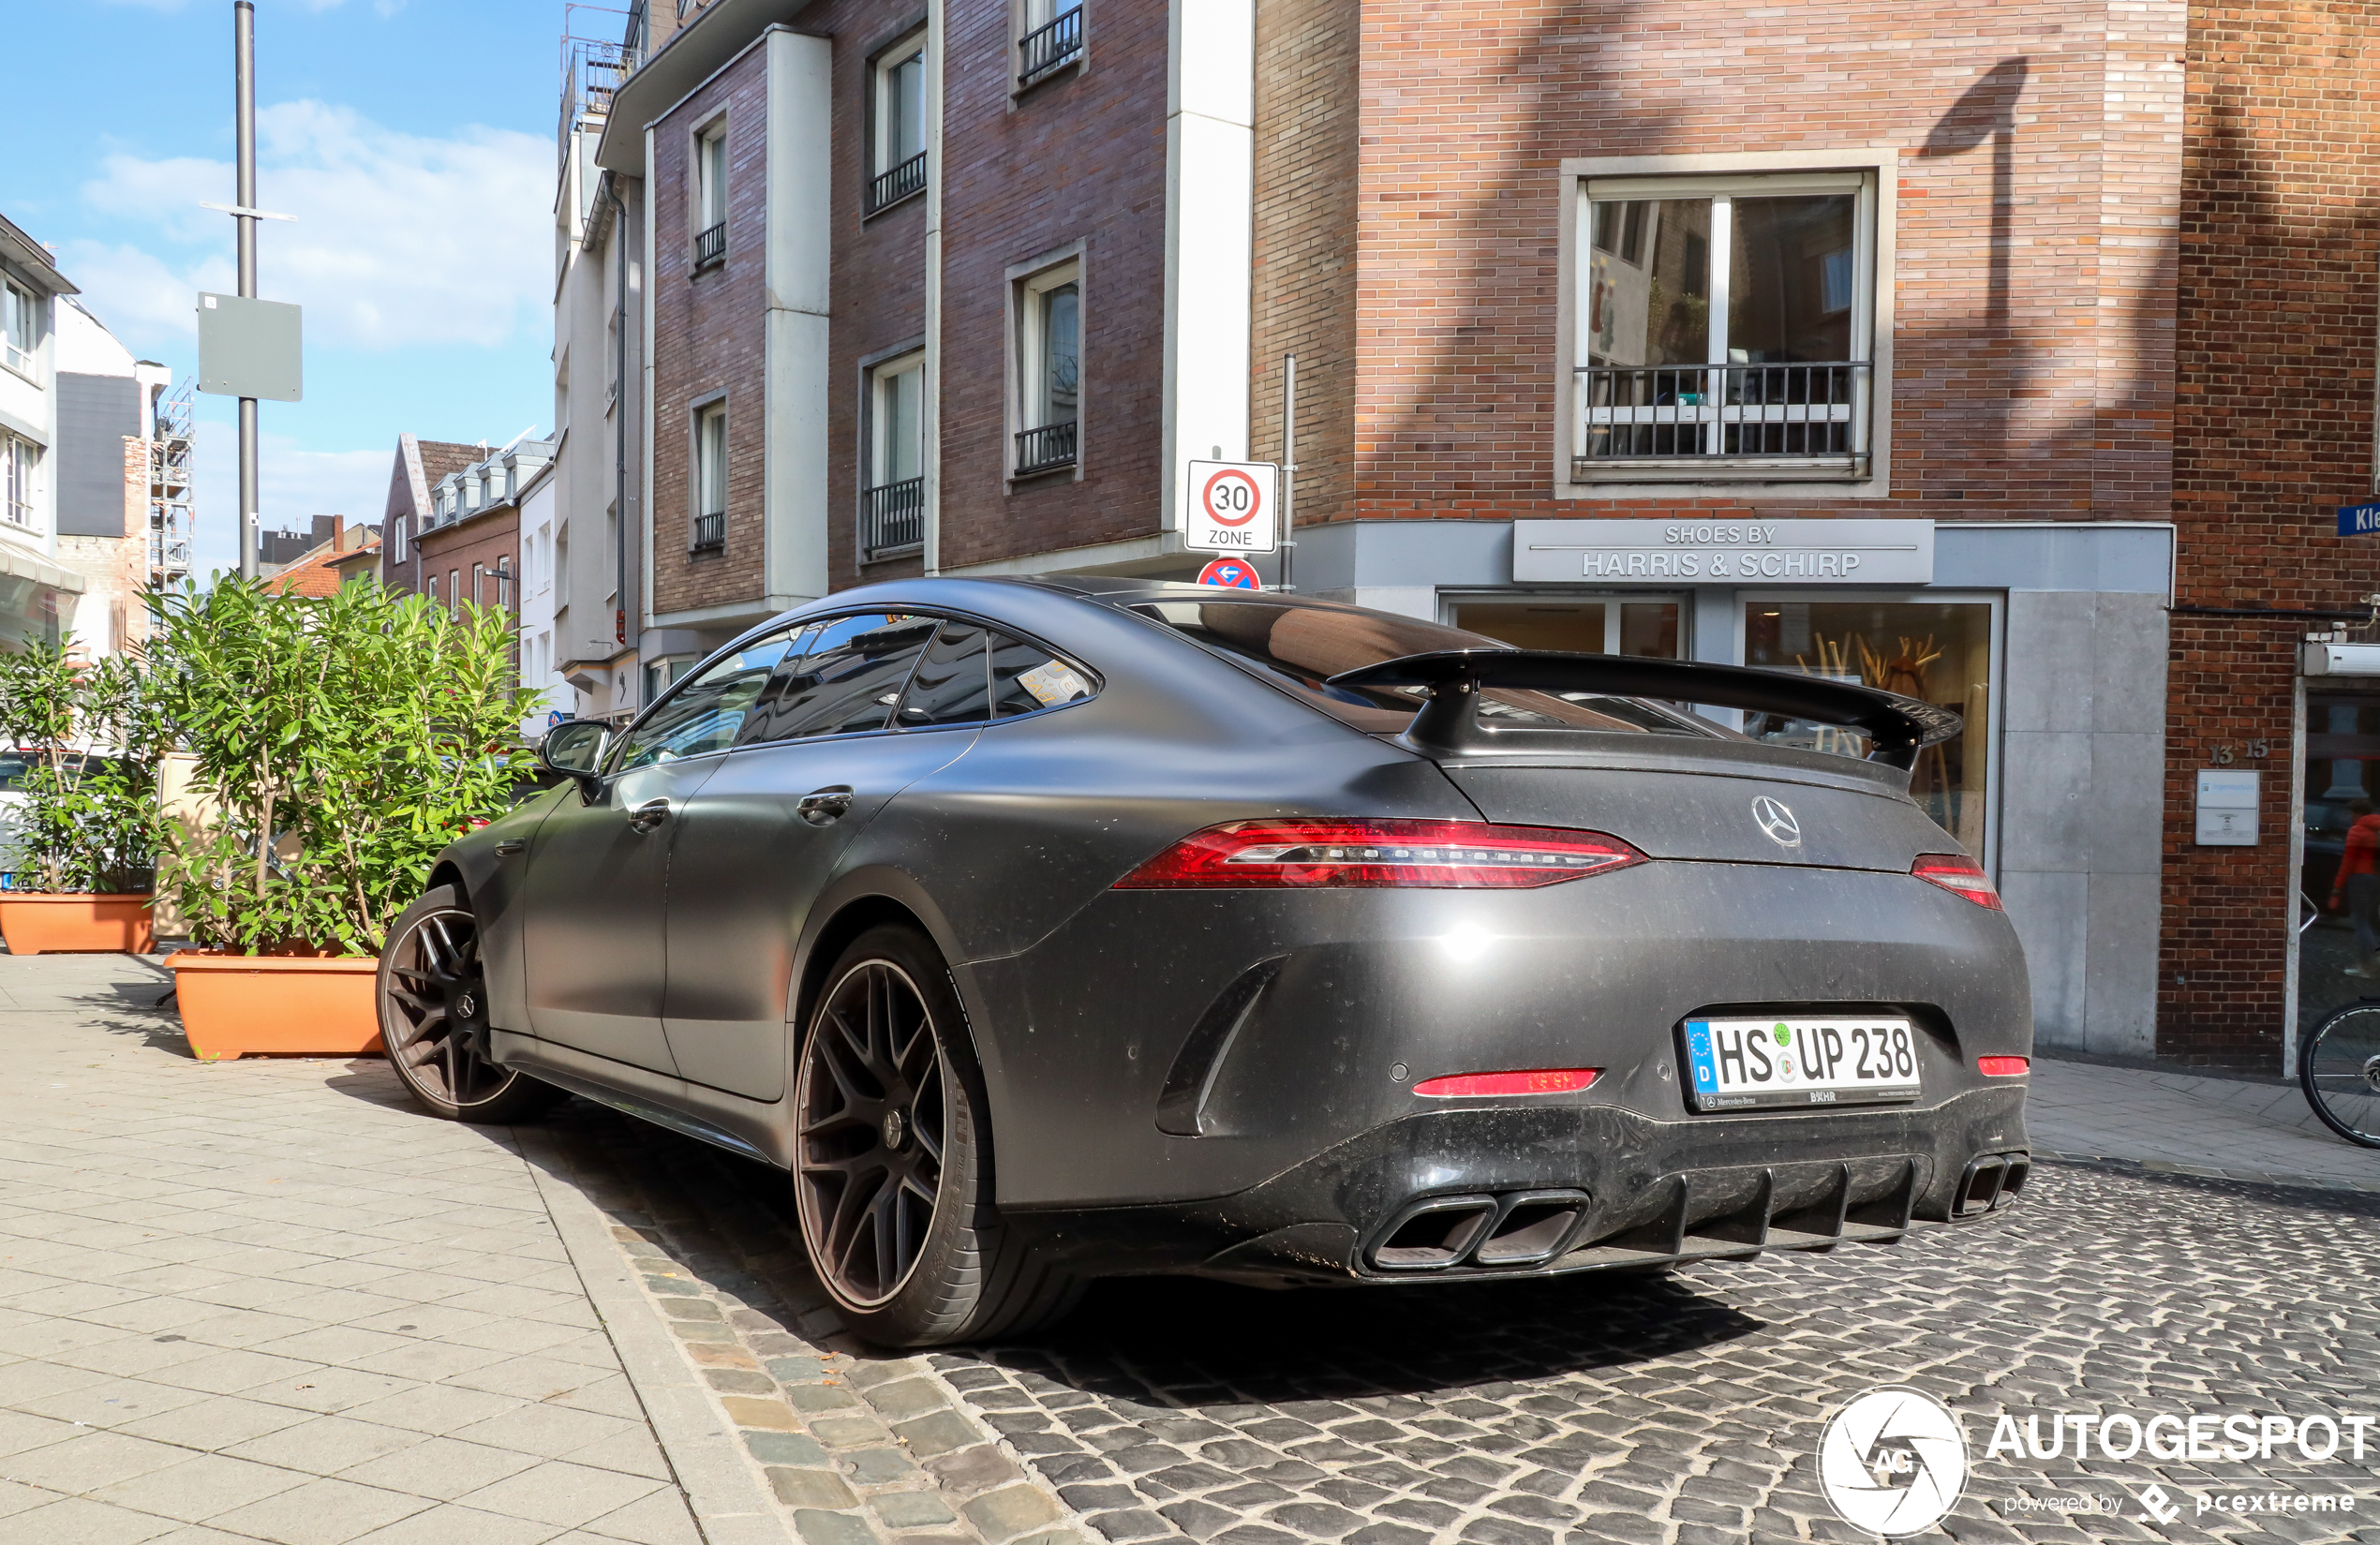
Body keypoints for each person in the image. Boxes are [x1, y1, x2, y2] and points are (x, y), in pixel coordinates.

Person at [2330, 798, 2380, 976]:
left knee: (2360, 920)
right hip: (2377, 878)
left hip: (2360, 878)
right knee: (2372, 918)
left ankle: (2368, 963)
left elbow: (2348, 861)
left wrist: (2337, 887)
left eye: (2352, 812)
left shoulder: (2357, 831)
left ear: (2359, 813)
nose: (2350, 816)